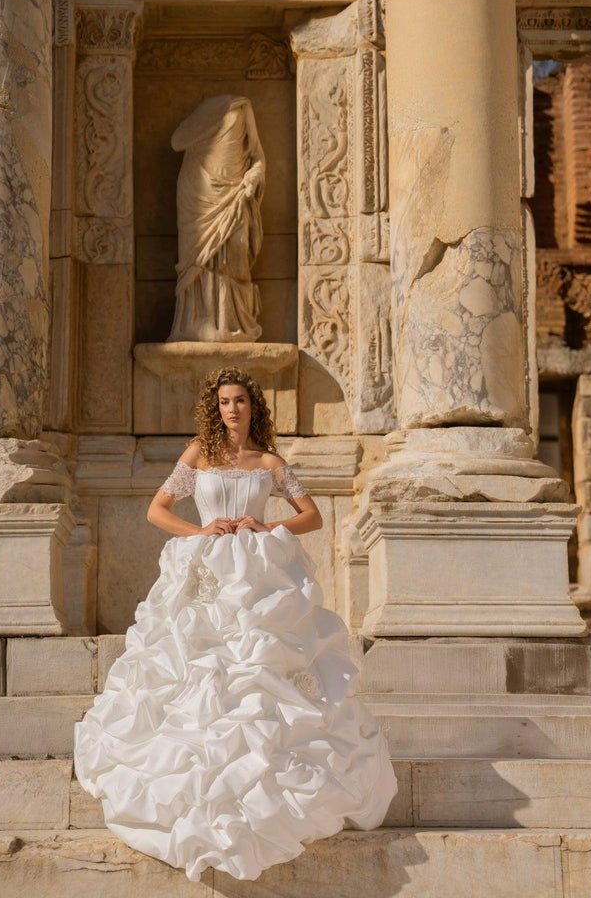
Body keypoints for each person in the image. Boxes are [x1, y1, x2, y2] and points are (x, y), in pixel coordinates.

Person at [73, 367, 397, 882]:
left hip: (255, 577)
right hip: (205, 573)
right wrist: (199, 532)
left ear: (253, 407)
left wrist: (267, 524)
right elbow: (158, 511)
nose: (232, 409)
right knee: (197, 665)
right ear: (215, 407)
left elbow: (310, 515)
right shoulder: (197, 454)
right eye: (224, 401)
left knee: (256, 667)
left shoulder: (269, 462)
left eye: (240, 400)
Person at [168, 94, 265, 343]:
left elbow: (257, 157)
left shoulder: (243, 108)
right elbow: (177, 142)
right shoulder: (204, 119)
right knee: (199, 257)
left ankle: (233, 322)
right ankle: (197, 322)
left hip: (235, 191)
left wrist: (253, 176)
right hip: (200, 193)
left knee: (237, 249)